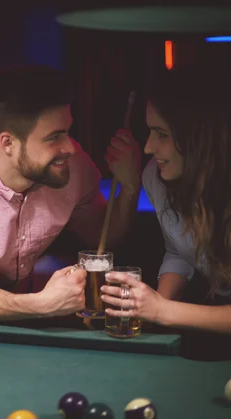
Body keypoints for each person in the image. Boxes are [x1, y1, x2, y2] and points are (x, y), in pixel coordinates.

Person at [0, 65, 141, 322]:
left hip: (34, 298)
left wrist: (130, 188)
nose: (70, 148)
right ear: (8, 143)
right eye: (54, 137)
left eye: (67, 132)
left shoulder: (73, 166)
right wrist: (42, 304)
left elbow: (101, 239)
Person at [100, 67, 231, 359]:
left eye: (162, 134)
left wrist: (163, 310)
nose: (148, 147)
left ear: (201, 138)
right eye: (149, 131)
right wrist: (153, 304)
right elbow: (179, 251)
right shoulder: (156, 178)